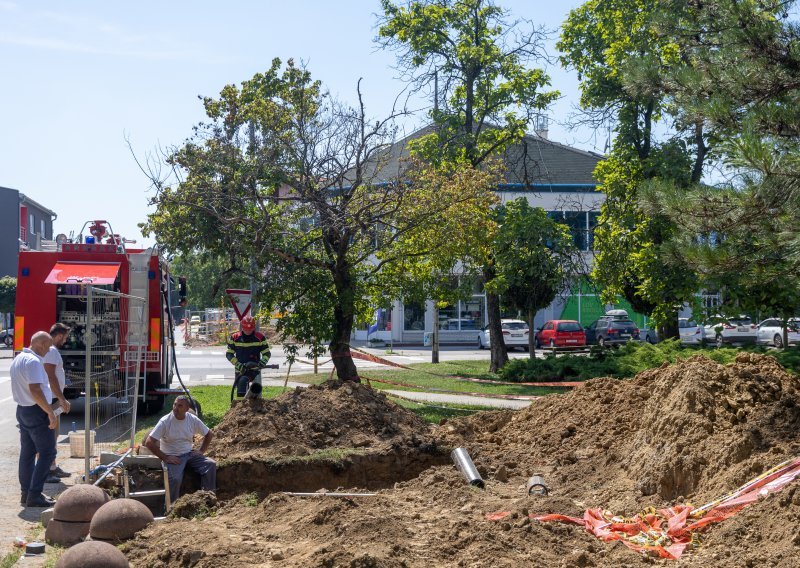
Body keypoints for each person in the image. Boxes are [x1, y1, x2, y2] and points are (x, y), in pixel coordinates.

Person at [11, 331, 57, 508]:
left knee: (27, 454)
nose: (50, 349)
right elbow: (35, 390)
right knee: (47, 453)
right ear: (41, 345)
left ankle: (26, 493)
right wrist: (50, 412)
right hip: (36, 412)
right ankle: (34, 494)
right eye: (49, 345)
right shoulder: (34, 362)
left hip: (23, 410)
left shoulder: (19, 359)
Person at [144, 396, 216, 503]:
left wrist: (201, 451)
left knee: (210, 464)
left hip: (189, 454)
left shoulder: (192, 419)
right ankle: (172, 507)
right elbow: (149, 442)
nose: (175, 408)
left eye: (180, 406)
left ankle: (208, 499)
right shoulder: (165, 421)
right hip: (173, 457)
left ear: (187, 409)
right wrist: (165, 457)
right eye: (174, 404)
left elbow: (209, 434)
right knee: (175, 479)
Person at [43, 322, 71, 482]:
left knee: (54, 434)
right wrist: (61, 398)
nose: (65, 341)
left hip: (52, 397)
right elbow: (50, 376)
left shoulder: (49, 350)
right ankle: (47, 470)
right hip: (52, 399)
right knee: (50, 434)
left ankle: (52, 467)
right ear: (59, 336)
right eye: (65, 337)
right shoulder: (52, 351)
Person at [226, 315, 271, 397]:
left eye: (250, 329)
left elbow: (267, 353)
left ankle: (256, 407)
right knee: (241, 390)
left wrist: (263, 362)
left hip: (255, 370)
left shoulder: (260, 338)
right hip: (240, 370)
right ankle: (240, 408)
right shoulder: (235, 338)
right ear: (242, 327)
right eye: (246, 329)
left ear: (253, 327)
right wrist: (238, 364)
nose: (248, 331)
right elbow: (229, 354)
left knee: (256, 392)